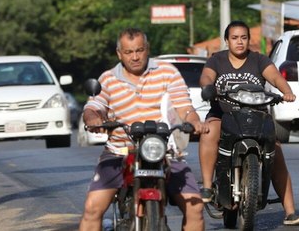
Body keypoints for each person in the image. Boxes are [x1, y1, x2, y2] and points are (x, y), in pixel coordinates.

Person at [79, 28, 208, 231]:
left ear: (147, 49)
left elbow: (184, 106)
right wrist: (93, 119)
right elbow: (94, 106)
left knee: (195, 208)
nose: (135, 57)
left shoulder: (167, 72)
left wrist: (194, 121)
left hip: (165, 152)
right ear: (119, 53)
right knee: (92, 209)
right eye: (129, 52)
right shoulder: (108, 78)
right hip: (119, 152)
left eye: (139, 50)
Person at [198, 20, 299, 226]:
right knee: (209, 132)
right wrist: (208, 88)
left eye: (243, 37)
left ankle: (291, 212)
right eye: (234, 38)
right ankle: (206, 186)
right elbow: (206, 76)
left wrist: (287, 92)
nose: (239, 42)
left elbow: (275, 76)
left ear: (249, 39)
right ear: (227, 41)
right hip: (223, 115)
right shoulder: (217, 60)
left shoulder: (259, 60)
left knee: (275, 151)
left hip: (256, 117)